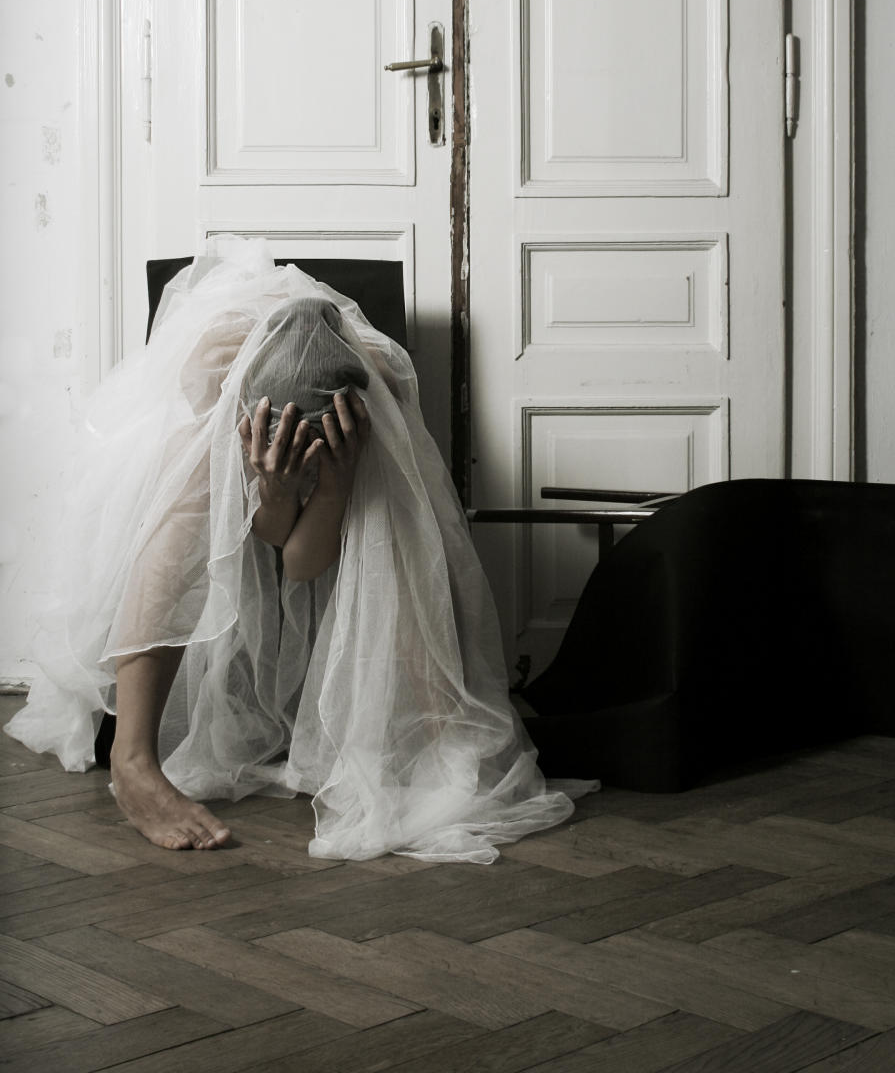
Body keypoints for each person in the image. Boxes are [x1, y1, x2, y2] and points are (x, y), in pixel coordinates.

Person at [6, 237, 590, 862]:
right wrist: (274, 489)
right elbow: (234, 536)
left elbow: (302, 565)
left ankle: (450, 738)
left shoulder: (375, 396)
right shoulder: (213, 370)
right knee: (192, 487)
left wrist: (333, 483)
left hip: (319, 542)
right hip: (198, 474)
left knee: (388, 515)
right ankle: (133, 759)